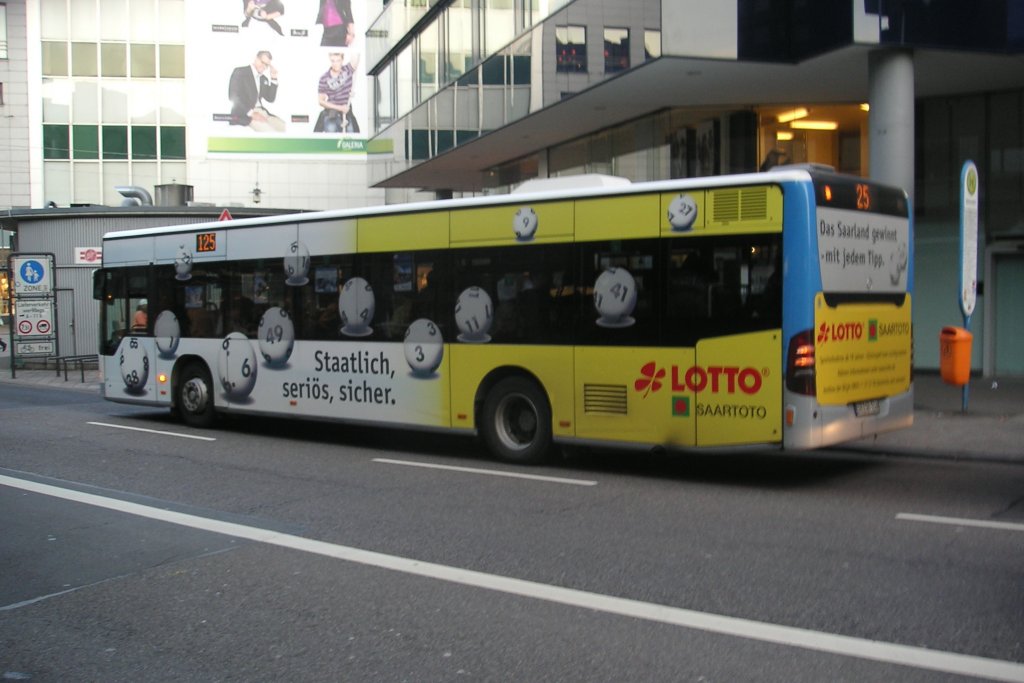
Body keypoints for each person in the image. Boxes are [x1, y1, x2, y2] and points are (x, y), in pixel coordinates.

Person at [228, 50, 286, 132]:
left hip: (263, 113)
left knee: (284, 127)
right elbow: (233, 96)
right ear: (256, 59)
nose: (264, 67)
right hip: (245, 114)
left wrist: (273, 78)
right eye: (263, 63)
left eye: (267, 65)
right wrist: (251, 113)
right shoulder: (240, 72)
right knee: (271, 133)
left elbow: (270, 98)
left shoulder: (263, 79)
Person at [315, 51, 360, 133]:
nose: (335, 63)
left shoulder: (348, 70)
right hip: (332, 113)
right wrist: (340, 108)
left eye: (338, 60)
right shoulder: (324, 78)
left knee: (352, 135)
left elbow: (356, 54)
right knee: (331, 135)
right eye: (333, 61)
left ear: (342, 60)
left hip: (347, 113)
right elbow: (321, 101)